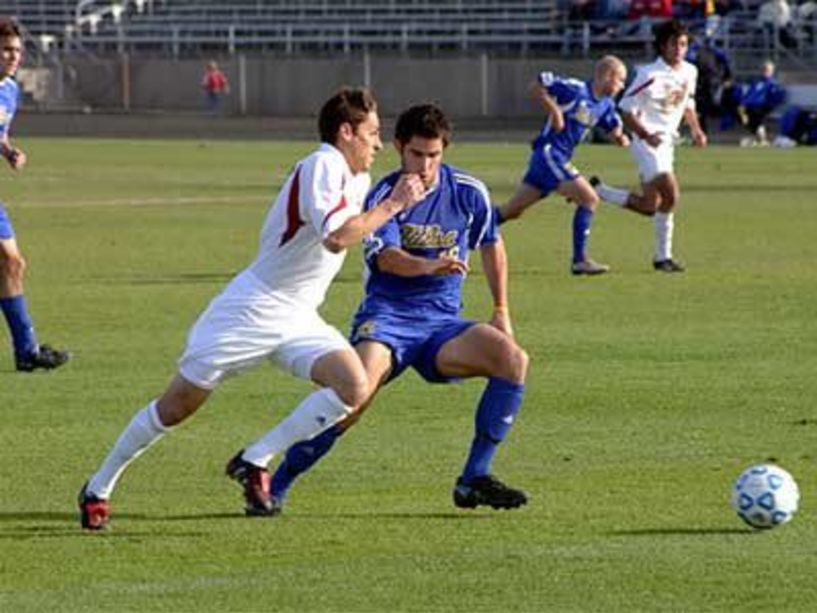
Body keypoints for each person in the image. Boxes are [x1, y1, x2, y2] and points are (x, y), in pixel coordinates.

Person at [77, 88, 426, 530]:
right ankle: (98, 486)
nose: (378, 144)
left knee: (354, 386)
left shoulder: (354, 177)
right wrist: (394, 203)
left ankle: (255, 458)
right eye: (373, 133)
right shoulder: (323, 164)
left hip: (298, 315)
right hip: (251, 309)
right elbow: (338, 236)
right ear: (346, 132)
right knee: (177, 406)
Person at [228, 103, 530, 515]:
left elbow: (492, 243)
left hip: (442, 325)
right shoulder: (384, 196)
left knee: (512, 360)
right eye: (417, 154)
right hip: (387, 321)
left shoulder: (467, 191)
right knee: (352, 399)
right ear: (400, 147)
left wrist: (501, 310)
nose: (425, 165)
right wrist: (431, 265)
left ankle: (473, 478)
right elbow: (387, 259)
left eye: (434, 155)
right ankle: (276, 486)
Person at [592, 19, 707, 273]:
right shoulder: (649, 75)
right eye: (674, 44)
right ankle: (662, 257)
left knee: (649, 206)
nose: (679, 49)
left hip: (668, 142)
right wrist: (645, 135)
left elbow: (687, 104)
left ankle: (600, 191)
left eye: (683, 44)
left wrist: (697, 130)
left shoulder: (690, 71)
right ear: (662, 46)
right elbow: (625, 109)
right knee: (672, 195)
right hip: (647, 143)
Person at [497, 56, 630, 276]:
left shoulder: (605, 104)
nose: (622, 86)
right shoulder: (575, 89)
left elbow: (613, 126)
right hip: (550, 154)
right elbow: (537, 84)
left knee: (512, 211)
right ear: (607, 76)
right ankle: (580, 260)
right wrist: (555, 110)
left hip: (551, 160)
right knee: (589, 198)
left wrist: (620, 137)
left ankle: (466, 233)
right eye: (621, 80)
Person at [0, 18, 69, 372]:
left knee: (12, 263)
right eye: (6, 50)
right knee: (10, 262)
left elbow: (0, 134)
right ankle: (26, 351)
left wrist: (9, 151)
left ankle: (27, 352)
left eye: (16, 50)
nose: (13, 56)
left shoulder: (9, 90)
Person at [737, 60, 787, 147]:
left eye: (768, 70)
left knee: (757, 118)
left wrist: (770, 103)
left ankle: (760, 139)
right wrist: (743, 103)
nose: (765, 71)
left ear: (772, 71)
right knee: (745, 118)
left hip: (760, 106)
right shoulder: (756, 82)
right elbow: (749, 94)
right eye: (764, 69)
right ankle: (759, 139)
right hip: (749, 107)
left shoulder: (772, 83)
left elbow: (778, 96)